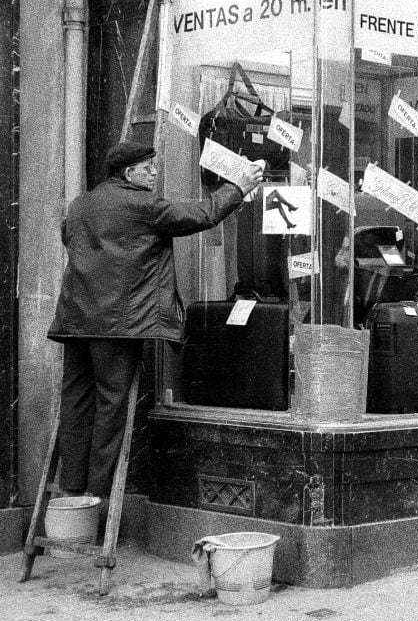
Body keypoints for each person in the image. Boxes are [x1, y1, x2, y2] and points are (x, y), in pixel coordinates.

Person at [47, 141, 262, 498]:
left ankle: (71, 485)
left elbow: (69, 240)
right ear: (130, 173)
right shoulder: (142, 204)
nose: (155, 171)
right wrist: (239, 186)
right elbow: (202, 215)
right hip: (118, 323)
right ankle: (96, 493)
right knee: (111, 405)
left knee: (76, 401)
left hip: (77, 319)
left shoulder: (80, 204)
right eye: (149, 166)